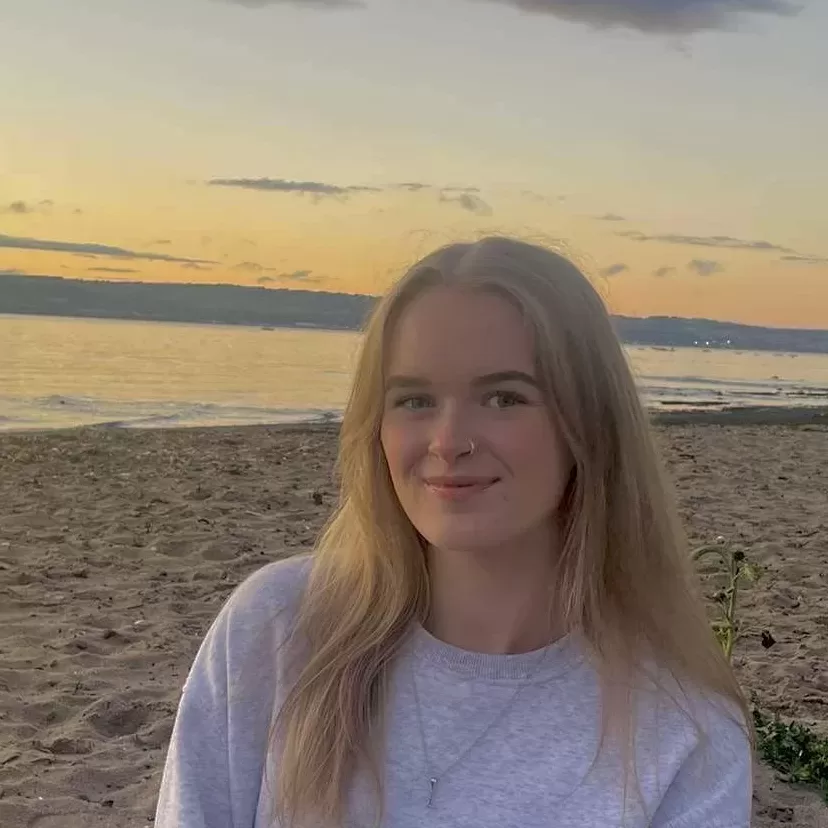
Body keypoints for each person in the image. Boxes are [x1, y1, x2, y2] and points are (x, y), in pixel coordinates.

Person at [155, 236, 753, 828]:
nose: (448, 441)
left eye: (503, 397)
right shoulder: (281, 631)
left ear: (590, 425)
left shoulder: (683, 726)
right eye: (414, 400)